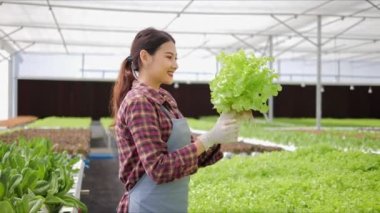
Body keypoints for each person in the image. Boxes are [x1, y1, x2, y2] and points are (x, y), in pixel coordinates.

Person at [111, 27, 244, 213]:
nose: (175, 64)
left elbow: (189, 155)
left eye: (176, 58)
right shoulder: (139, 103)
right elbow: (159, 169)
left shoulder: (165, 99)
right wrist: (208, 139)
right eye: (169, 57)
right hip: (146, 207)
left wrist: (218, 135)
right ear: (145, 57)